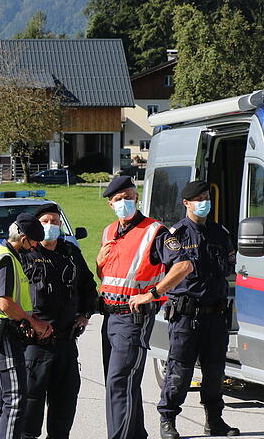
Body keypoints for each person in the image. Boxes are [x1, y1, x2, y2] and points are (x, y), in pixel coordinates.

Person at [144, 180, 239, 439]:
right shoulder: (175, 235)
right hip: (187, 316)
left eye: (206, 197)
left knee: (215, 371)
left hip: (216, 315)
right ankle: (168, 419)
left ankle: (214, 420)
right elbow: (172, 269)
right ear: (186, 203)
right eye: (198, 198)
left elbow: (230, 266)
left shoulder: (220, 233)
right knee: (180, 371)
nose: (204, 202)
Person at [96, 176, 185, 439]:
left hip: (133, 318)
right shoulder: (109, 231)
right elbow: (108, 275)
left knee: (119, 382)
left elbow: (183, 265)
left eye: (129, 196)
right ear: (111, 204)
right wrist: (98, 262)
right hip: (110, 316)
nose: (124, 202)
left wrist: (154, 293)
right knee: (121, 383)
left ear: (137, 198)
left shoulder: (155, 232)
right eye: (118, 199)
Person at [17, 203, 97, 439]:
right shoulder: (25, 254)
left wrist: (85, 314)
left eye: (55, 222)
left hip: (65, 342)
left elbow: (88, 285)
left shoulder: (70, 253)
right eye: (45, 222)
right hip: (34, 344)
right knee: (30, 405)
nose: (51, 226)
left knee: (65, 403)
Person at [0, 213, 53, 439]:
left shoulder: (1, 253)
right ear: (23, 239)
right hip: (5, 332)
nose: (34, 248)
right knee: (15, 398)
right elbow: (5, 303)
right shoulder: (7, 260)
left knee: (0, 397)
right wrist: (34, 322)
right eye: (33, 243)